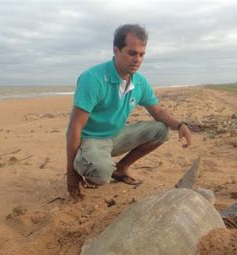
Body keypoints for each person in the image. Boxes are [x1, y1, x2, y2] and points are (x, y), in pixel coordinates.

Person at [66, 24, 192, 200]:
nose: (138, 59)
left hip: (116, 136)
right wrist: (71, 174)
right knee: (101, 174)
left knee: (161, 130)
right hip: (91, 140)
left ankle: (121, 168)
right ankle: (84, 162)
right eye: (132, 53)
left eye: (142, 54)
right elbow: (74, 126)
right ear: (116, 50)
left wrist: (180, 125)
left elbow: (158, 111)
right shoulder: (93, 79)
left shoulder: (139, 82)